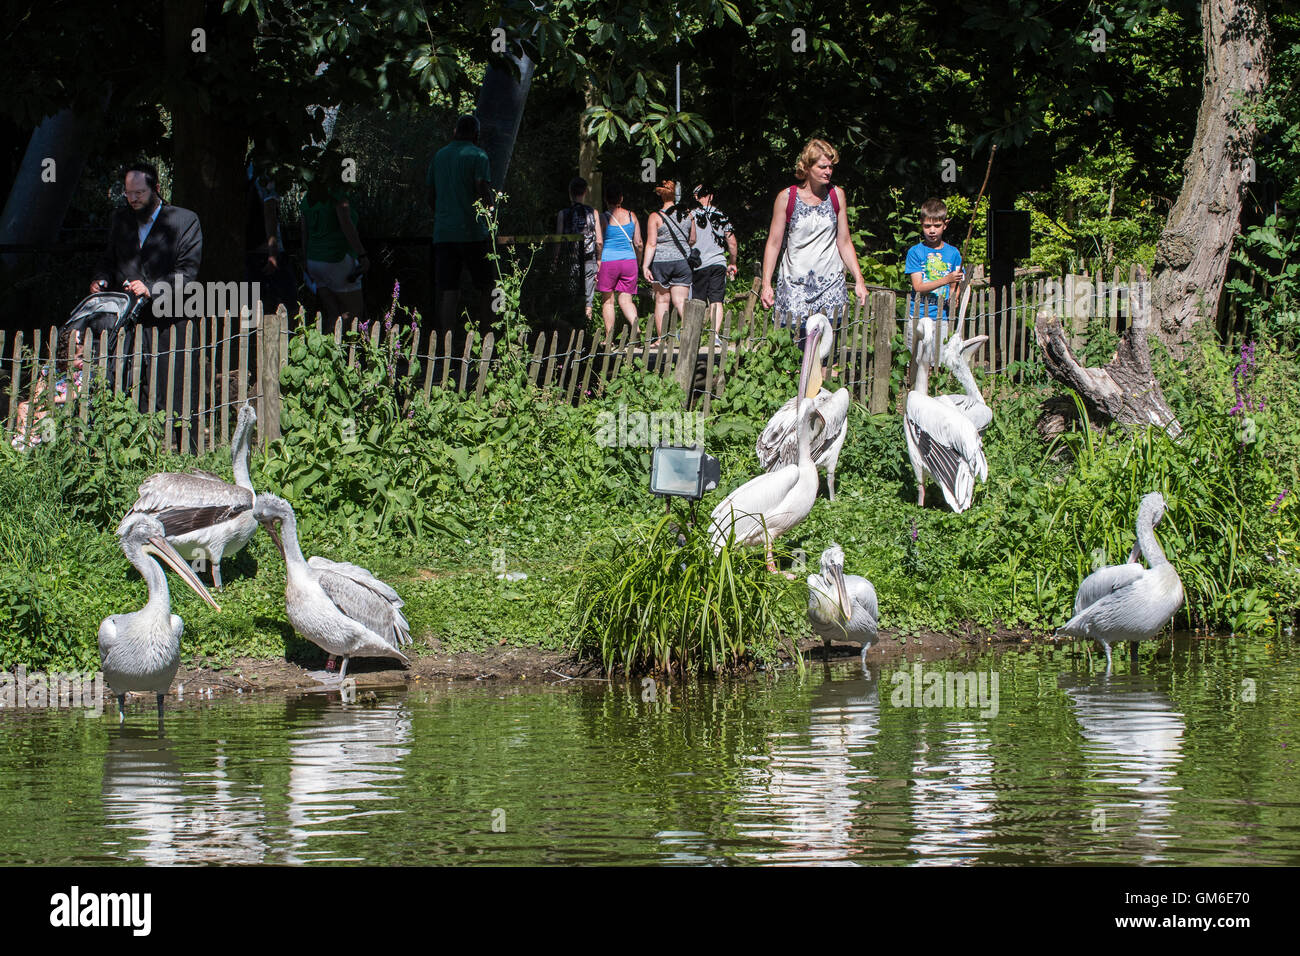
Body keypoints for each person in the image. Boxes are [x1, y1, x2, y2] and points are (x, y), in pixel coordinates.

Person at [89, 160, 202, 445]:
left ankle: (177, 444)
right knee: (131, 379)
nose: (133, 199)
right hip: (131, 316)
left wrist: (152, 288)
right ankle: (134, 442)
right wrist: (101, 278)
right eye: (128, 193)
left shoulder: (184, 220)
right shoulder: (121, 219)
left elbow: (187, 273)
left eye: (139, 193)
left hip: (171, 316)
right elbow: (109, 259)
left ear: (156, 189)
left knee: (171, 385)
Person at [759, 138, 868, 335]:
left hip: (830, 286)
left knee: (825, 353)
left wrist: (858, 279)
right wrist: (766, 284)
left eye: (831, 167)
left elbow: (844, 241)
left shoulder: (837, 195)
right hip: (794, 288)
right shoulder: (787, 197)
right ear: (807, 167)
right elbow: (774, 244)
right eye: (822, 166)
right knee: (793, 354)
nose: (828, 171)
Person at [427, 114, 494, 336]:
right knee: (487, 287)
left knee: (448, 289)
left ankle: (446, 341)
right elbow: (482, 187)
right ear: (476, 135)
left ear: (454, 131)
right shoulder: (478, 156)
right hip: (473, 233)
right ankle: (487, 335)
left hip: (444, 234)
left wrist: (443, 214)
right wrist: (491, 213)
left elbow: (430, 194)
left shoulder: (439, 156)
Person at [300, 151, 368, 327]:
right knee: (354, 315)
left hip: (314, 262)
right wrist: (362, 255)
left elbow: (304, 233)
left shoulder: (309, 198)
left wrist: (305, 262)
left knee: (332, 314)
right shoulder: (338, 195)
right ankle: (349, 353)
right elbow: (347, 226)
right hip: (337, 260)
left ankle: (329, 351)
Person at [642, 180, 696, 344]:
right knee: (681, 301)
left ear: (660, 195)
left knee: (661, 300)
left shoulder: (655, 217)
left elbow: (651, 244)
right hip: (681, 261)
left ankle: (661, 339)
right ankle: (692, 335)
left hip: (661, 262)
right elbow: (693, 239)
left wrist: (645, 266)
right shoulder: (687, 214)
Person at [11, 327, 82, 451]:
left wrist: (52, 399)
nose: (80, 341)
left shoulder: (81, 372)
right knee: (23, 406)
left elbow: (76, 393)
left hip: (62, 403)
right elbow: (40, 385)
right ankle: (21, 438)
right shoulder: (52, 367)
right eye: (80, 356)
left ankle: (35, 437)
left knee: (44, 409)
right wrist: (38, 398)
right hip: (46, 400)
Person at [245, 162, 299, 316]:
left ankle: (251, 337)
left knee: (252, 305)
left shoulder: (246, 170)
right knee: (288, 304)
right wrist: (273, 251)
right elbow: (269, 211)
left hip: (249, 247)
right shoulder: (267, 174)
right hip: (266, 251)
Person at [690, 183, 738, 346]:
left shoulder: (691, 216)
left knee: (698, 301)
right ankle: (715, 335)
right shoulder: (722, 216)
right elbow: (731, 242)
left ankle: (694, 336)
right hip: (718, 262)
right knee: (717, 299)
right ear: (712, 196)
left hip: (699, 264)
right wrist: (732, 262)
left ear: (696, 197)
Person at [905, 196, 964, 324]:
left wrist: (955, 297)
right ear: (921, 224)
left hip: (942, 316)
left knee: (941, 345)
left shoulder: (954, 253)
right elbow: (918, 286)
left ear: (945, 225)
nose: (932, 231)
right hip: (918, 316)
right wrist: (946, 280)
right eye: (927, 226)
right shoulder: (915, 252)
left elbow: (955, 285)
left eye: (937, 226)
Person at [597, 180, 643, 342]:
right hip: (629, 261)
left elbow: (600, 241)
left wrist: (598, 260)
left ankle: (609, 337)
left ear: (605, 199)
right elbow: (638, 243)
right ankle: (635, 326)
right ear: (621, 198)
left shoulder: (603, 218)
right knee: (626, 299)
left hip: (609, 261)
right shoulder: (632, 216)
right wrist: (638, 262)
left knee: (608, 301)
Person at [554, 176, 602, 323]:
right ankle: (586, 329)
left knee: (571, 297)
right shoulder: (593, 213)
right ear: (585, 192)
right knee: (588, 300)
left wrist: (555, 261)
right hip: (589, 259)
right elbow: (599, 241)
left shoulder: (563, 214)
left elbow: (558, 240)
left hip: (571, 260)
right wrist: (599, 259)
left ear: (570, 192)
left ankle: (571, 328)